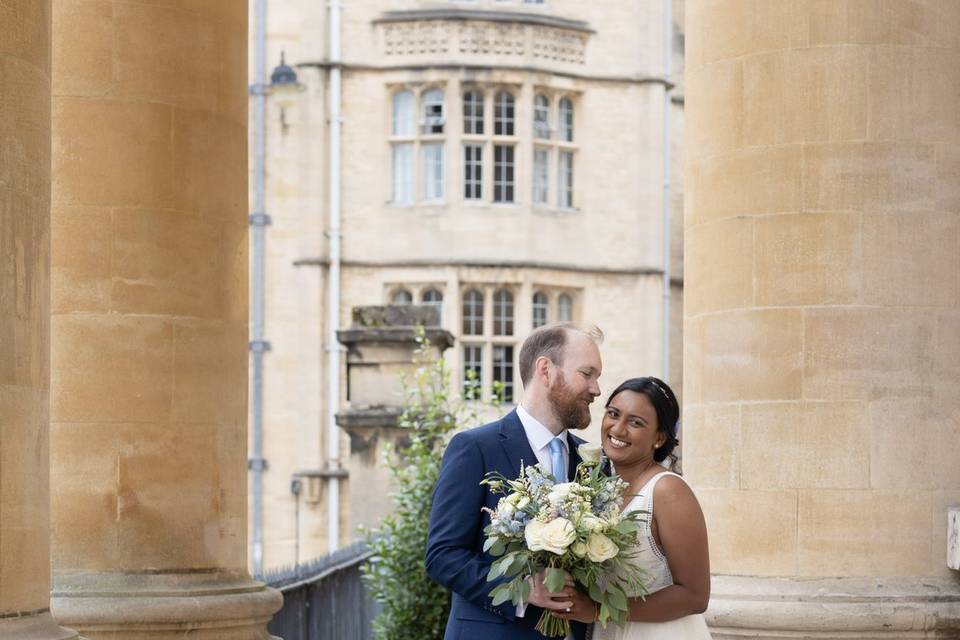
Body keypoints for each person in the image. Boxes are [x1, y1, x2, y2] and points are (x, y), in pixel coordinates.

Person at [425, 323, 604, 640]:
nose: (596, 389)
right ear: (545, 370)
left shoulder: (590, 461)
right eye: (587, 374)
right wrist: (521, 589)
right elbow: (442, 556)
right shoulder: (475, 448)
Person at [559, 377, 711, 640]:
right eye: (613, 414)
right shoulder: (601, 490)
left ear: (659, 438)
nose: (617, 429)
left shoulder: (667, 491)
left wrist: (598, 610)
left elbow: (695, 596)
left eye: (635, 422)